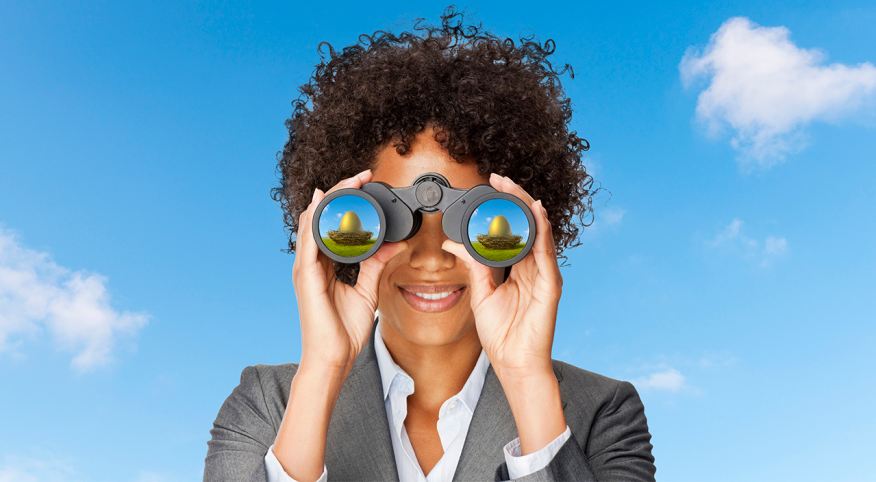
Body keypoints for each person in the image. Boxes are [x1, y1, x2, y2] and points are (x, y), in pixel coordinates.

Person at [204, 7, 656, 482]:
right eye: (394, 221)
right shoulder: (269, 403)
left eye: (475, 226)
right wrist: (322, 371)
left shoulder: (600, 412)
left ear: (526, 238)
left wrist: (526, 380)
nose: (433, 256)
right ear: (338, 241)